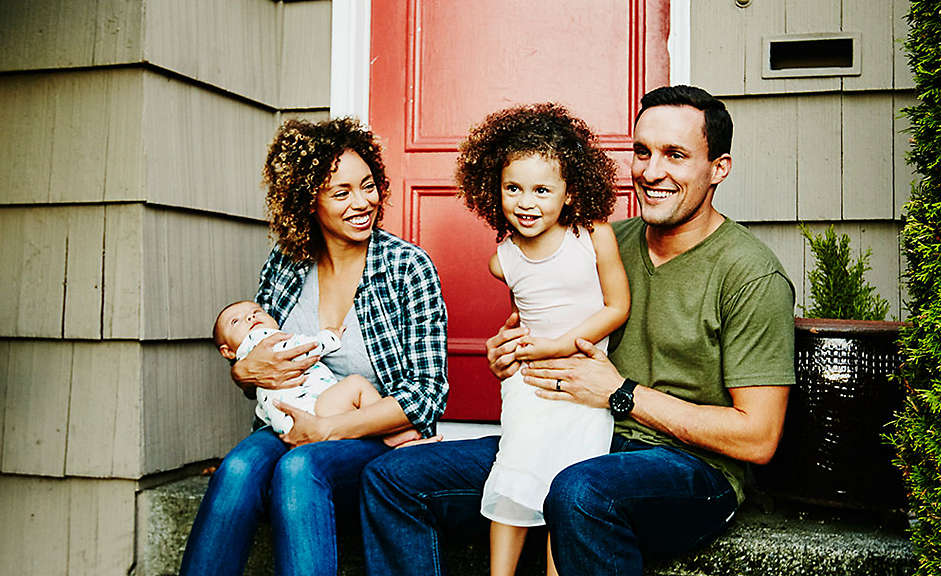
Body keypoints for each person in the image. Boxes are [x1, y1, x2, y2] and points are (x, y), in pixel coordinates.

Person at [360, 85, 795, 575]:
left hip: (689, 468)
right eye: (642, 152)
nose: (652, 172)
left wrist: (621, 394)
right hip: (576, 434)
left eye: (675, 155)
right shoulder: (596, 240)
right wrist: (508, 353)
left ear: (719, 168)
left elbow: (758, 437)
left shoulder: (750, 274)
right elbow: (534, 320)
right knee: (393, 477)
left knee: (577, 489)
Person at [179, 117, 448, 576]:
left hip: (373, 434)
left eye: (367, 186)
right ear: (309, 201)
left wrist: (329, 431)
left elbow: (427, 395)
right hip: (295, 417)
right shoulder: (287, 264)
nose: (362, 203)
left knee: (301, 468)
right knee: (240, 467)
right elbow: (259, 362)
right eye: (340, 193)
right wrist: (243, 373)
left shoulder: (407, 266)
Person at [455, 103, 630, 576]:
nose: (526, 202)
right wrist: (518, 349)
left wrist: (557, 347)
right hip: (528, 383)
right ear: (495, 190)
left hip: (584, 382)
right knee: (516, 470)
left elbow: (616, 308)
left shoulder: (593, 236)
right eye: (513, 188)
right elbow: (522, 315)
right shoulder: (504, 258)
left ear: (570, 194)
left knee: (567, 481)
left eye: (541, 190)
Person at [213, 299, 420, 446]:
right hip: (318, 411)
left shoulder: (251, 360)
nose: (251, 317)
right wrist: (330, 338)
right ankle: (390, 433)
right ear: (227, 351)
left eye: (256, 311)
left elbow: (262, 407)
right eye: (235, 321)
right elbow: (305, 347)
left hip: (289, 430)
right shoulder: (266, 340)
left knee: (240, 466)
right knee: (356, 384)